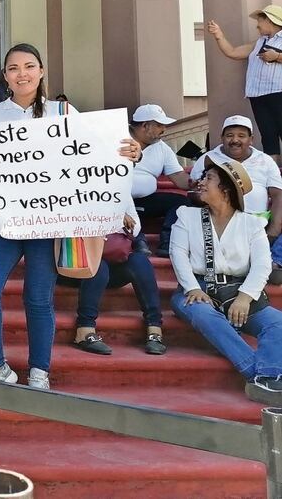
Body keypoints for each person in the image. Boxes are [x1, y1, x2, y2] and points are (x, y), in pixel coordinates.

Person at [0, 43, 142, 391]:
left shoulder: (64, 111)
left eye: (29, 66)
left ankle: (40, 370)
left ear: (42, 71)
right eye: (13, 68)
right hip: (2, 222)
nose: (22, 74)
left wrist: (130, 151)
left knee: (38, 297)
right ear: (4, 76)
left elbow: (97, 154)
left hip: (48, 223)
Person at [170, 156, 282, 406]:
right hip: (198, 287)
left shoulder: (252, 223)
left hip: (238, 290)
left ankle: (266, 378)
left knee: (277, 322)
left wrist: (245, 297)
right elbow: (178, 255)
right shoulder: (187, 216)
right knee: (202, 313)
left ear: (226, 189)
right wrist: (193, 288)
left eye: (208, 178)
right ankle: (260, 376)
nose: (200, 182)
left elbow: (263, 264)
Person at [62, 197, 166, 356]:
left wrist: (113, 220)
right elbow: (72, 221)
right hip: (75, 263)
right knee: (99, 266)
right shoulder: (75, 188)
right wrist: (114, 218)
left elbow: (135, 228)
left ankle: (154, 329)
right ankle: (84, 329)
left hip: (110, 262)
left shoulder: (120, 190)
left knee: (139, 261)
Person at [190, 115, 282, 274]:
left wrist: (273, 231)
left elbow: (278, 196)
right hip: (220, 220)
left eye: (241, 135)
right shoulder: (208, 159)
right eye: (230, 135)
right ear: (222, 138)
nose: (235, 140)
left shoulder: (265, 161)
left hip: (258, 220)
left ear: (251, 139)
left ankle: (275, 261)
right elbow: (197, 191)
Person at [207, 5, 282, 165]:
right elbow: (233, 52)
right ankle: (272, 170)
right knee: (268, 134)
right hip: (257, 95)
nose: (257, 26)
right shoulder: (259, 43)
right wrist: (218, 35)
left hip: (279, 92)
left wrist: (277, 57)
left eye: (260, 21)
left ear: (270, 20)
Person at [129, 104, 190, 257]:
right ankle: (138, 240)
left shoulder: (162, 147)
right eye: (159, 125)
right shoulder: (116, 138)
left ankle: (167, 241)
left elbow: (178, 177)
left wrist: (195, 183)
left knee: (181, 202)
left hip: (145, 202)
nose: (164, 129)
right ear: (144, 126)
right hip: (116, 201)